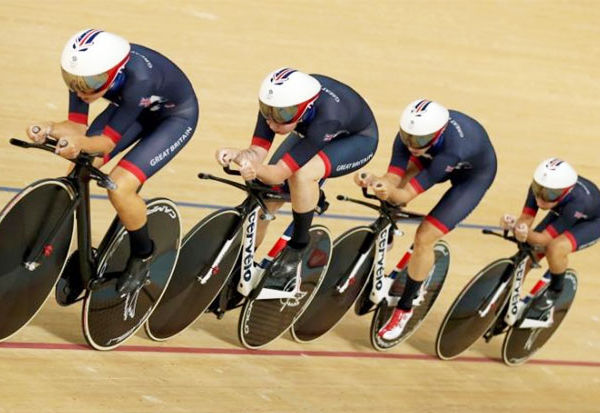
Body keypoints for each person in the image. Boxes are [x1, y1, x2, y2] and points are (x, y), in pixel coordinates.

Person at [27, 29, 198, 299]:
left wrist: (78, 144)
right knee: (77, 169)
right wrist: (48, 127)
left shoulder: (140, 79)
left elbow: (105, 144)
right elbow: (76, 126)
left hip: (173, 120)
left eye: (91, 82)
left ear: (116, 72)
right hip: (134, 108)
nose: (81, 89)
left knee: (119, 187)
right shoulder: (84, 75)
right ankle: (83, 252)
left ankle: (143, 255)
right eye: (73, 80)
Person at [215, 67, 378, 289]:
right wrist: (238, 155)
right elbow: (257, 154)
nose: (272, 123)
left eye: (281, 116)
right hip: (310, 130)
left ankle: (298, 247)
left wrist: (257, 169)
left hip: (355, 140)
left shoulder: (327, 118)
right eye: (267, 113)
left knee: (302, 175)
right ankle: (238, 266)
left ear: (305, 108)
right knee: (266, 196)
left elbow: (279, 173)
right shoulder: (276, 106)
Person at [355, 99, 497, 340]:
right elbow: (393, 178)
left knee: (424, 237)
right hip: (433, 155)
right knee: (397, 185)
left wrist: (390, 191)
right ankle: (388, 232)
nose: (411, 145)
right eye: (407, 138)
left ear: (438, 134)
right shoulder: (412, 138)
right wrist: (375, 181)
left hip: (472, 178)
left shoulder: (452, 150)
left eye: (418, 141)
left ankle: (405, 309)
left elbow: (404, 193)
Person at [501, 158, 600, 313]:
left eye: (549, 195)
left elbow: (543, 239)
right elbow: (526, 219)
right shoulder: (539, 187)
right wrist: (514, 224)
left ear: (565, 192)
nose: (539, 200)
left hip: (590, 222)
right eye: (538, 192)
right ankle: (506, 298)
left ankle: (556, 289)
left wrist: (520, 231)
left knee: (554, 248)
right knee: (527, 254)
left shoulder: (578, 202)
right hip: (561, 212)